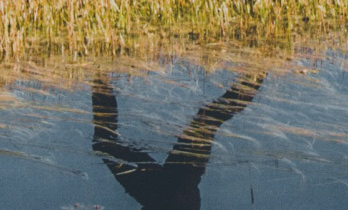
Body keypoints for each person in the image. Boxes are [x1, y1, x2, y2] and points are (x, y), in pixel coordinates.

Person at [90, 70, 266, 210]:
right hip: (173, 198)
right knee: (207, 120)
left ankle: (99, 74)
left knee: (207, 120)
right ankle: (257, 74)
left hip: (170, 198)